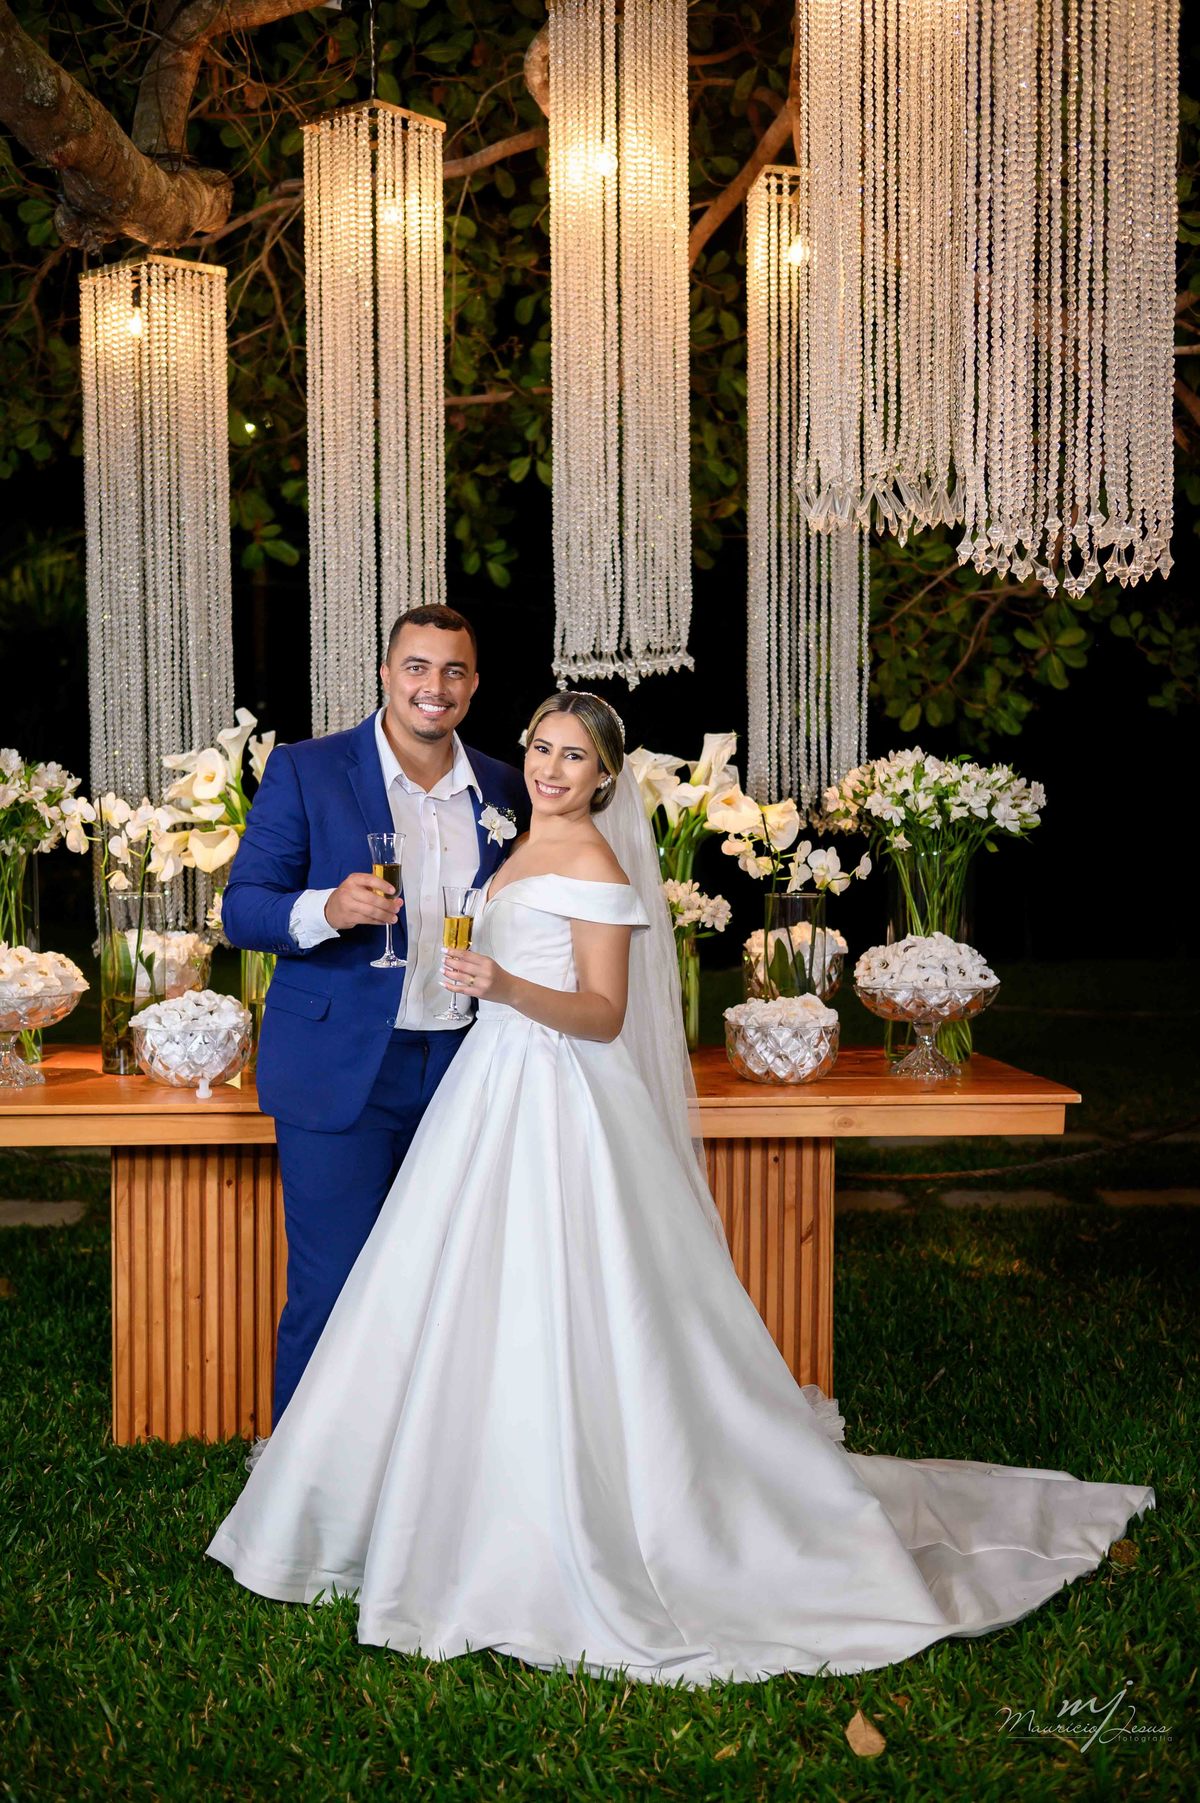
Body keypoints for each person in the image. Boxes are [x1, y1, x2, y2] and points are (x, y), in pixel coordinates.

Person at [208, 691, 1155, 1687]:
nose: (549, 769)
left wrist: (504, 985)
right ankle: (431, 1491)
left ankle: (571, 1510)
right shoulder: (518, 843)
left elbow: (604, 1013)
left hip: (558, 1093)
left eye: (575, 757)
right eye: (541, 748)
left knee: (563, 1292)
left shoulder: (595, 864)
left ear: (605, 779)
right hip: (487, 1086)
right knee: (451, 1290)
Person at [221, 604, 528, 1426]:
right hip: (341, 1068)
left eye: (454, 670)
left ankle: (426, 1467)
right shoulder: (307, 770)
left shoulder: (506, 788)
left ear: (473, 684)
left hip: (470, 1065)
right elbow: (242, 909)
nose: (435, 686)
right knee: (334, 1284)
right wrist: (326, 907)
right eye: (417, 667)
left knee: (453, 1284)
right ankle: (299, 1477)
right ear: (386, 674)